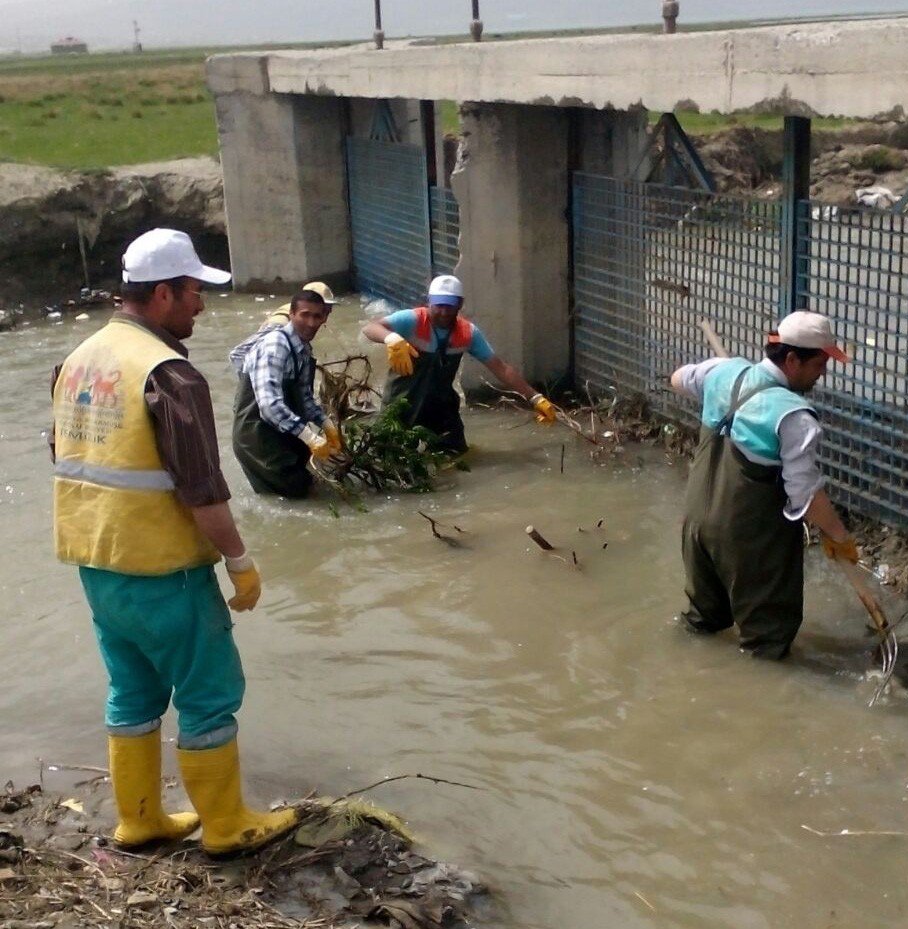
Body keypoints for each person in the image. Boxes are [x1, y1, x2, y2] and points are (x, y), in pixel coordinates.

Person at [51, 228, 297, 854]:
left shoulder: (78, 358)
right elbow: (202, 490)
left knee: (131, 690)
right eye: (193, 293)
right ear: (162, 294)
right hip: (167, 569)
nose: (201, 306)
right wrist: (240, 562)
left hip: (98, 565)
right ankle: (226, 825)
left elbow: (63, 451)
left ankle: (139, 819)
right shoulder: (171, 376)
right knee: (209, 694)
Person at [668, 310, 861, 659]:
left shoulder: (722, 371)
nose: (823, 374)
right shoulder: (795, 417)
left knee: (702, 624)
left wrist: (724, 389)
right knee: (766, 645)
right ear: (791, 359)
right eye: (819, 364)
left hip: (696, 526)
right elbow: (804, 494)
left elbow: (678, 379)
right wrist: (839, 537)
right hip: (747, 541)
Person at [361, 274, 558, 453]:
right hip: (400, 405)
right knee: (388, 456)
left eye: (450, 305)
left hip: (441, 409)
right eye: (439, 305)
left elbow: (501, 368)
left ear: (460, 304)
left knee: (456, 458)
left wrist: (535, 398)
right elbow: (371, 328)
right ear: (429, 302)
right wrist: (391, 339)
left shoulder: (467, 333)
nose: (444, 312)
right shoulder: (412, 320)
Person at [231, 286, 341, 498]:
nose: (311, 323)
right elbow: (270, 406)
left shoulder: (302, 348)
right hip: (258, 440)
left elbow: (304, 398)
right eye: (305, 315)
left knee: (310, 487)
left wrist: (326, 424)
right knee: (299, 495)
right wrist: (310, 437)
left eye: (317, 316)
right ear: (291, 314)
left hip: (282, 434)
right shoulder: (275, 346)